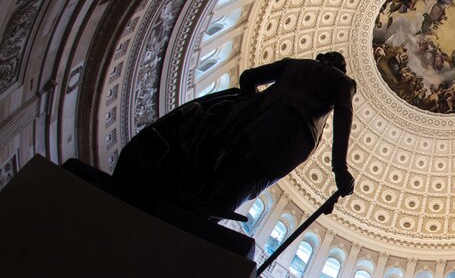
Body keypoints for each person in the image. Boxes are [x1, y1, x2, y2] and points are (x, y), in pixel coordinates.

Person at [112, 51, 356, 219]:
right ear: (340, 69)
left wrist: (252, 104)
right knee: (240, 186)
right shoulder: (343, 81)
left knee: (216, 169)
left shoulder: (295, 64)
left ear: (321, 58)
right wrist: (339, 169)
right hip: (288, 141)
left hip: (246, 123)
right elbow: (343, 116)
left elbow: (248, 77)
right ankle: (200, 223)